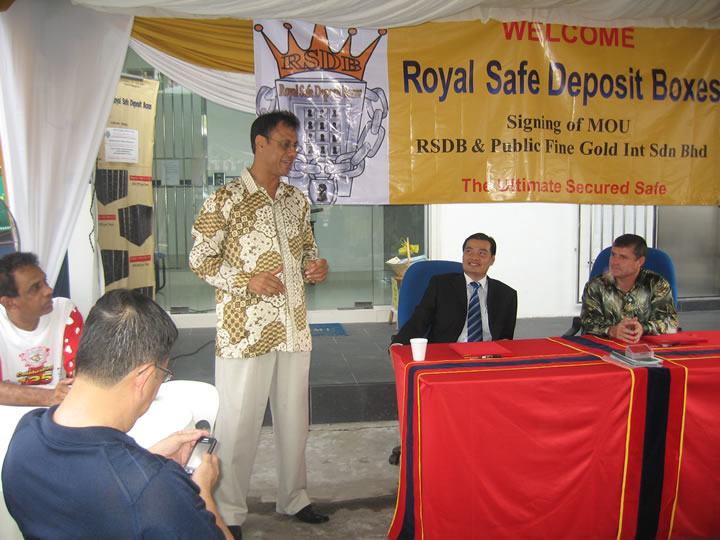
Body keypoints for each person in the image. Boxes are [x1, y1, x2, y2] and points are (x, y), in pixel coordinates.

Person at [189, 110, 329, 536]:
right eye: (285, 144)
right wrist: (245, 279)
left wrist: (316, 267)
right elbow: (199, 258)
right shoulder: (225, 199)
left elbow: (307, 251)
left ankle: (294, 498)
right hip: (244, 332)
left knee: (295, 421)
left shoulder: (296, 201)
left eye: (295, 145)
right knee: (237, 425)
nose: (292, 153)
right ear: (260, 144)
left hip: (293, 329)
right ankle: (229, 512)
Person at [1, 289, 233, 540]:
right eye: (163, 375)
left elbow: (88, 489)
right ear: (144, 377)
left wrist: (149, 459)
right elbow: (133, 493)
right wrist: (201, 494)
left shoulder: (24, 435)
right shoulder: (157, 490)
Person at [391, 232, 518, 345]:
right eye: (469, 251)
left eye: (482, 253)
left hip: (489, 358)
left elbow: (505, 340)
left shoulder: (507, 295)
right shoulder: (440, 286)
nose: (474, 257)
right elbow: (418, 322)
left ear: (492, 260)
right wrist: (397, 344)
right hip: (448, 356)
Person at [0, 252, 83, 406]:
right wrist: (49, 397)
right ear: (9, 303)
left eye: (45, 281)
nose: (49, 290)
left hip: (57, 413)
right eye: (35, 288)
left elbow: (84, 372)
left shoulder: (65, 312)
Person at [580, 233, 678, 343]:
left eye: (623, 257)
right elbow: (587, 324)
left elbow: (671, 323)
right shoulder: (596, 286)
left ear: (640, 261)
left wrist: (643, 328)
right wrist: (612, 330)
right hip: (606, 347)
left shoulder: (656, 284)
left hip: (648, 347)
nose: (614, 262)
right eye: (613, 255)